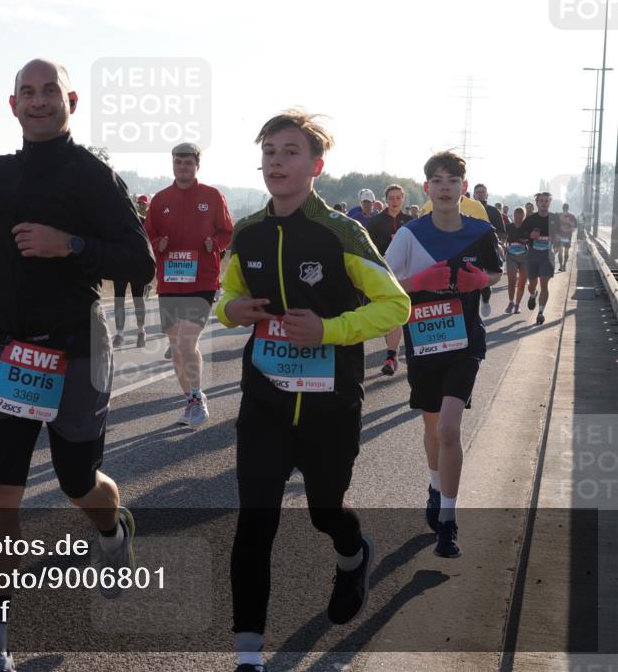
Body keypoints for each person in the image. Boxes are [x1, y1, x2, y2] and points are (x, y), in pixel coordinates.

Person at [0, 60, 155, 672]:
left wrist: (68, 244)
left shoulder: (94, 177)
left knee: (77, 483)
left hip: (78, 349)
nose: (38, 102)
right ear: (12, 106)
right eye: (27, 94)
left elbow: (139, 263)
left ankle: (113, 530)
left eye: (49, 92)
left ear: (69, 100)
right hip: (8, 353)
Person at [218, 110, 409, 672]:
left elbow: (395, 306)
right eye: (270, 152)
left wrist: (328, 330)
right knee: (255, 521)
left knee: (326, 511)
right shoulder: (247, 232)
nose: (277, 161)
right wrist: (232, 309)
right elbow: (227, 296)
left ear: (316, 166)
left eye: (290, 152)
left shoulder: (341, 233)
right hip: (265, 402)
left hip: (330, 404)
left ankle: (354, 555)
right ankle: (247, 656)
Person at [385, 151, 502, 558]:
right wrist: (417, 281)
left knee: (450, 429)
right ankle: (435, 488)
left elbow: (495, 271)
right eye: (437, 180)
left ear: (464, 188)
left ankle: (449, 521)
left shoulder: (481, 231)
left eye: (453, 180)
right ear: (427, 188)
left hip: (465, 342)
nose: (446, 187)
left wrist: (480, 280)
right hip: (425, 342)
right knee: (433, 427)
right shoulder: (409, 235)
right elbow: (383, 285)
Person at [144, 142, 233, 427]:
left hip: (202, 279)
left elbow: (227, 232)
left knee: (185, 341)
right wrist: (159, 243)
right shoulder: (160, 200)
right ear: (173, 164)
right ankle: (189, 397)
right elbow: (147, 235)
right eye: (178, 162)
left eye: (188, 163)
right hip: (170, 282)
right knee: (176, 345)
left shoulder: (212, 195)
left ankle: (196, 398)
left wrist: (215, 244)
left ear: (197, 166)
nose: (183, 167)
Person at [366, 184, 413, 375]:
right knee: (390, 314)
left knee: (399, 313)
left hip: (406, 273)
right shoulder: (376, 222)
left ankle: (393, 355)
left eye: (398, 198)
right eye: (391, 198)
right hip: (383, 272)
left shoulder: (410, 221)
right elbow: (368, 248)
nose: (394, 201)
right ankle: (392, 354)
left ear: (403, 199)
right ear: (385, 200)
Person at [112, 193, 152, 348]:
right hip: (120, 266)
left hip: (137, 265)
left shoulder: (141, 222)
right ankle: (120, 334)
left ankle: (141, 331)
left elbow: (148, 243)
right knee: (119, 300)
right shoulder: (114, 224)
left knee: (137, 299)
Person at [517, 192, 558, 326]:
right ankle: (533, 295)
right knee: (532, 284)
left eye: (546, 201)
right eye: (541, 201)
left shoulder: (554, 219)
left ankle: (540, 313)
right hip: (532, 256)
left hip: (547, 256)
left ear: (549, 203)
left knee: (544, 285)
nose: (544, 203)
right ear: (537, 203)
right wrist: (530, 235)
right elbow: (519, 235)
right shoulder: (530, 219)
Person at [471, 184, 506, 317]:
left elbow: (502, 232)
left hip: (489, 247)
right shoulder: (465, 209)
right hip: (471, 247)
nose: (480, 194)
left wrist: (498, 242)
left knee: (485, 278)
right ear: (474, 195)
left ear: (487, 195)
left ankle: (485, 299)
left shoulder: (493, 211)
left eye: (482, 192)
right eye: (478, 192)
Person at [503, 207, 528, 314]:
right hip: (511, 256)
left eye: (520, 218)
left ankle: (517, 305)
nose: (518, 220)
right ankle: (511, 302)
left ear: (524, 217)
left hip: (524, 256)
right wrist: (504, 245)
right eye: (516, 218)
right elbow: (503, 239)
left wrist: (526, 240)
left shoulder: (527, 227)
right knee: (511, 281)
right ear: (513, 216)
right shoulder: (508, 226)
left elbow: (532, 240)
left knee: (522, 283)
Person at [557, 203, 578, 272]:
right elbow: (575, 226)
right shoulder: (572, 216)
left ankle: (560, 266)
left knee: (560, 252)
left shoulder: (558, 215)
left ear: (562, 208)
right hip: (568, 237)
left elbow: (554, 226)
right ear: (568, 208)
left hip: (559, 236)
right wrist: (570, 230)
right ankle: (564, 266)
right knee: (566, 252)